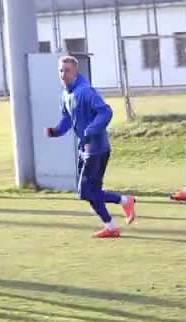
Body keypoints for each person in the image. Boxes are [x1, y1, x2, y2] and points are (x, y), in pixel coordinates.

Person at [46, 56, 136, 238]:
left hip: (97, 149)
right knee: (90, 192)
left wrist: (90, 130)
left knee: (85, 192)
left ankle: (125, 201)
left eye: (67, 70)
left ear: (76, 72)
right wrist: (56, 131)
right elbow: (67, 119)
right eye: (60, 71)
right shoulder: (65, 94)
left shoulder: (85, 91)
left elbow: (106, 111)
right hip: (84, 148)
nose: (63, 74)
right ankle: (112, 226)